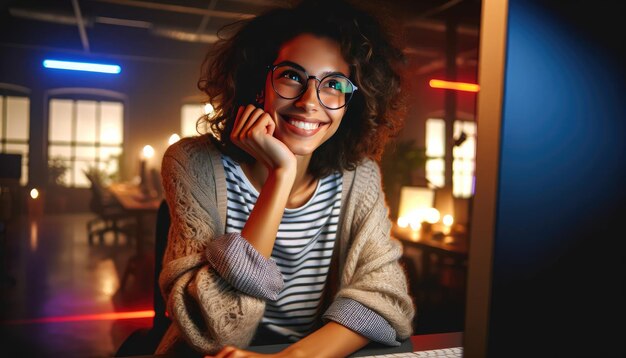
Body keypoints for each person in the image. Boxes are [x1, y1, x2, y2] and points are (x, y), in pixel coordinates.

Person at [157, 0, 415, 356]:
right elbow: (217, 330)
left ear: (351, 100)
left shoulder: (359, 177)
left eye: (334, 84)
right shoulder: (194, 163)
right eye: (293, 76)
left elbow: (385, 300)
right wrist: (281, 176)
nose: (310, 101)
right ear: (258, 82)